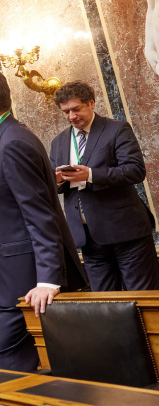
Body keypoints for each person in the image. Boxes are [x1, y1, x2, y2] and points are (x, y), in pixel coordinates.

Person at [0, 67, 87, 371]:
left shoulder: (13, 141)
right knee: (22, 363)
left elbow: (40, 215)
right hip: (12, 278)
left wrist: (48, 280)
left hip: (28, 280)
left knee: (8, 360)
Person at [50, 81, 159, 291]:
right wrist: (57, 181)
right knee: (104, 302)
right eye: (66, 112)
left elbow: (135, 170)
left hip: (126, 233)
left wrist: (91, 175)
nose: (71, 116)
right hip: (88, 239)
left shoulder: (117, 129)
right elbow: (56, 186)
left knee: (144, 297)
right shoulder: (58, 141)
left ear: (91, 103)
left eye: (76, 109)